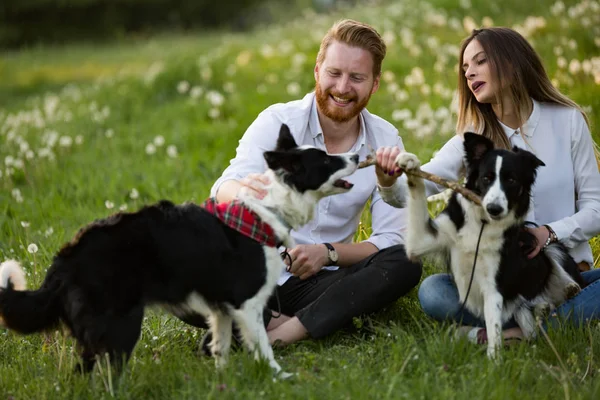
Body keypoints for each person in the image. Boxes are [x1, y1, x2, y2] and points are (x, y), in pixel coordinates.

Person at [204, 19, 422, 347]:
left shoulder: (385, 139)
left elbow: (392, 237)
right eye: (334, 73)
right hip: (255, 271)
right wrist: (243, 192)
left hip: (322, 279)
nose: (343, 87)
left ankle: (283, 332)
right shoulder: (278, 121)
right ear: (317, 71)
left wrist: (328, 253)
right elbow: (224, 186)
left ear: (374, 84)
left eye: (357, 77)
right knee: (196, 256)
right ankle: (311, 316)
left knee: (405, 262)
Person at [375, 27, 600, 343]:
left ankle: (501, 333)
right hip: (499, 282)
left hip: (563, 279)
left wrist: (547, 234)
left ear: (511, 62)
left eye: (480, 61)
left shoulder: (567, 120)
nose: (469, 73)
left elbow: (596, 209)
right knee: (433, 291)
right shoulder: (472, 142)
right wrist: (388, 181)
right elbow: (417, 187)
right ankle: (542, 327)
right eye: (465, 68)